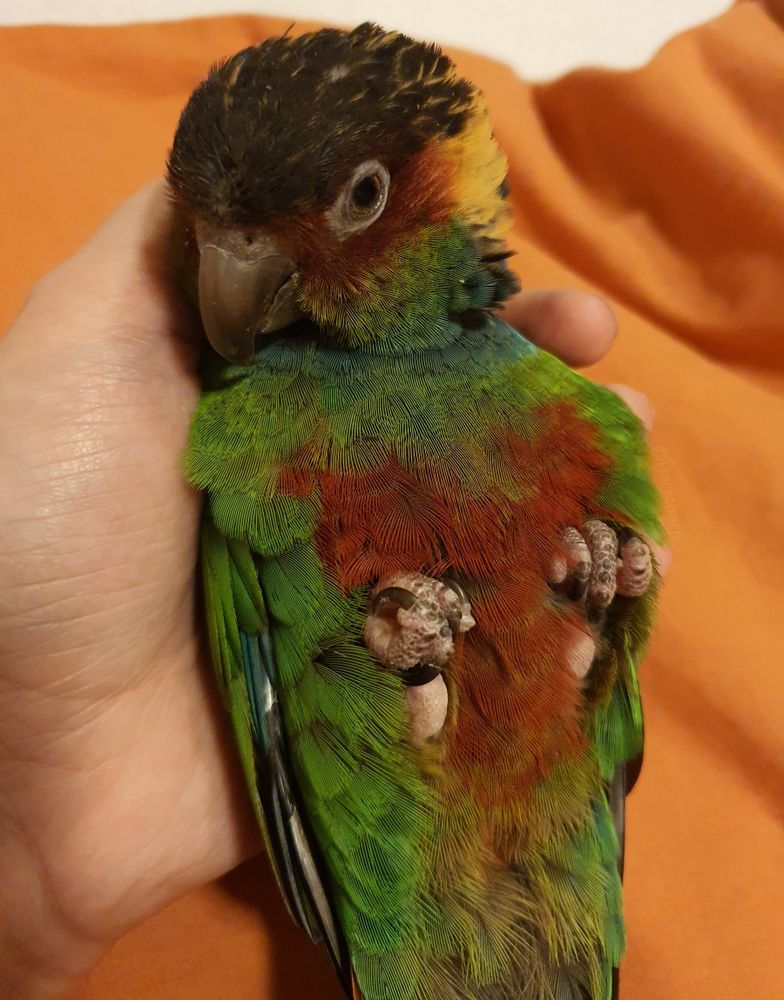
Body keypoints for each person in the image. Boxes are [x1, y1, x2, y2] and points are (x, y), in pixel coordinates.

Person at [0, 180, 663, 998]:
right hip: (391, 844)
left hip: (558, 792)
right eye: (215, 233)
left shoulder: (548, 395)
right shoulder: (241, 422)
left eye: (363, 195)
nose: (240, 262)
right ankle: (422, 682)